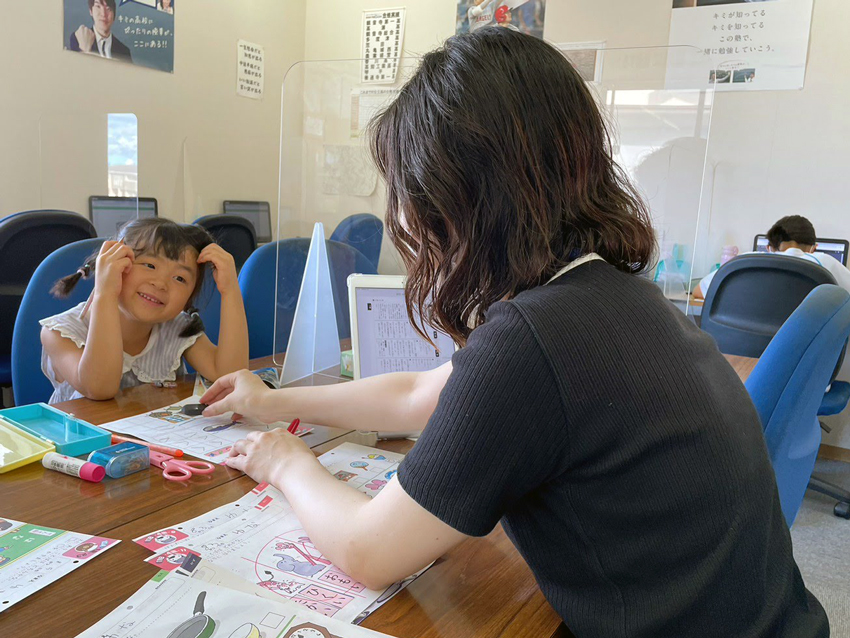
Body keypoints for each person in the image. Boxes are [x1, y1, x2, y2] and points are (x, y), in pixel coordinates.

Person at [200, 29, 828, 637]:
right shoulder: (608, 295)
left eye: (403, 188)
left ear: (457, 194)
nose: (399, 214)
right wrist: (270, 400)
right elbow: (420, 394)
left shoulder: (535, 337)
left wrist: (286, 461)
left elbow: (368, 551)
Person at [40, 219, 249, 403]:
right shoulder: (59, 332)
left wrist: (230, 289)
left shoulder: (176, 327)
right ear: (117, 264)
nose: (160, 284)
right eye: (149, 265)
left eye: (180, 278)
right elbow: (99, 388)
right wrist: (106, 292)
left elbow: (229, 375)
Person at [694, 215, 850, 299]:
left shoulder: (746, 261)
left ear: (769, 247)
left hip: (741, 354)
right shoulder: (825, 263)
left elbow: (699, 291)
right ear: (813, 249)